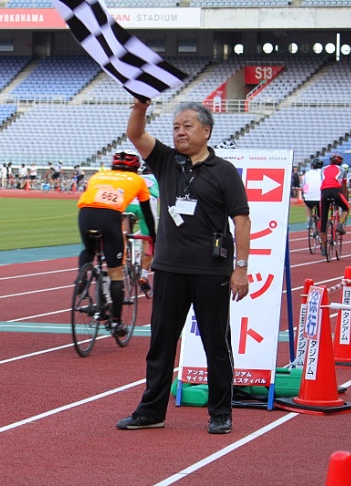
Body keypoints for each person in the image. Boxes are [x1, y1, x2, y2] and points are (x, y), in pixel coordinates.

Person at [117, 99, 250, 435]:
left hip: (212, 270)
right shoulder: (165, 161)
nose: (180, 132)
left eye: (187, 126)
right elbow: (135, 133)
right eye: (176, 127)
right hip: (170, 268)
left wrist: (241, 268)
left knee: (216, 345)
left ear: (206, 131)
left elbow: (242, 221)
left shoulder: (224, 172)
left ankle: (220, 412)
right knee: (160, 343)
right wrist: (140, 106)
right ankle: (151, 411)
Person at [76, 150, 156, 339]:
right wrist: (153, 236)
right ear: (136, 168)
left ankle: (82, 278)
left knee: (89, 249)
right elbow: (147, 212)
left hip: (85, 214)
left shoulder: (98, 175)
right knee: (115, 273)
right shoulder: (138, 180)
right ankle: (116, 321)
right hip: (110, 217)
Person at [123, 161, 159, 295]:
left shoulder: (137, 178)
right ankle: (143, 275)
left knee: (124, 236)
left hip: (129, 204)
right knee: (148, 241)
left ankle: (126, 259)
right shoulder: (159, 178)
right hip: (146, 205)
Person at [319, 153, 350, 256]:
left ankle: (323, 247)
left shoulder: (323, 169)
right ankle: (340, 224)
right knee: (346, 208)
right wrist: (345, 198)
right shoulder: (342, 170)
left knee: (323, 221)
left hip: (324, 192)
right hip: (336, 191)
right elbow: (344, 186)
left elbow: (323, 181)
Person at [302, 158, 323, 230]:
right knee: (322, 211)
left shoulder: (307, 173)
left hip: (308, 198)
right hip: (320, 198)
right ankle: (321, 223)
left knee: (308, 205)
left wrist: (304, 194)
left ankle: (309, 220)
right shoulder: (323, 173)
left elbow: (304, 185)